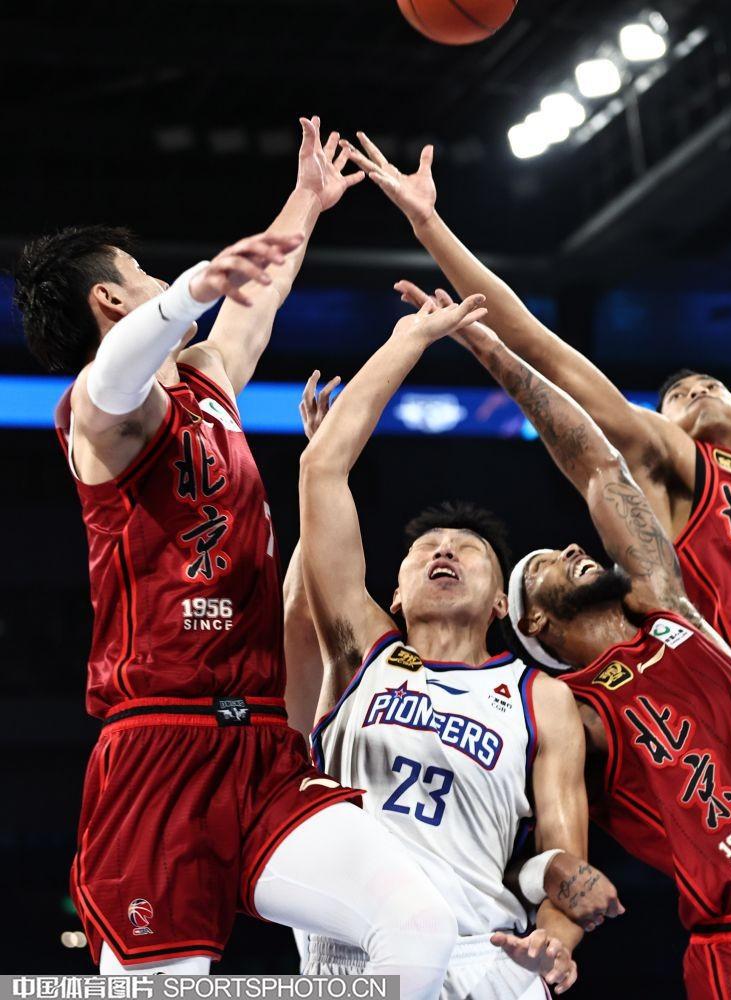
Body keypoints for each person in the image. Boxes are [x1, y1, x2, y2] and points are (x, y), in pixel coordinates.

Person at [341, 133, 731, 943]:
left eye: (707, 381)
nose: (691, 387)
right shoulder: (675, 487)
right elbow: (565, 387)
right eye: (671, 395)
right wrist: (436, 238)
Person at [12, 119, 458, 997]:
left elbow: (262, 290)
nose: (166, 284)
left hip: (262, 747)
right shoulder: (97, 418)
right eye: (143, 277)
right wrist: (187, 292)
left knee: (419, 925)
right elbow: (115, 376)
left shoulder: (208, 379)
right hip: (159, 749)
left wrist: (307, 201)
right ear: (112, 301)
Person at [447, 305, 731, 999]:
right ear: (533, 621)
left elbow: (597, 465)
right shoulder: (570, 710)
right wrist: (547, 891)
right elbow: (529, 838)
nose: (571, 548)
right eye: (543, 563)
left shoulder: (671, 611)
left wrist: (491, 350)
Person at [285, 293, 622, 998]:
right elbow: (322, 473)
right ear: (394, 595)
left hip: (484, 959)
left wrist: (555, 943)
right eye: (427, 548)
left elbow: (566, 860)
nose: (445, 552)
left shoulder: (540, 697)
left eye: (468, 550)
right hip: (353, 966)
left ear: (501, 602)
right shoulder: (361, 653)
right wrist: (409, 338)